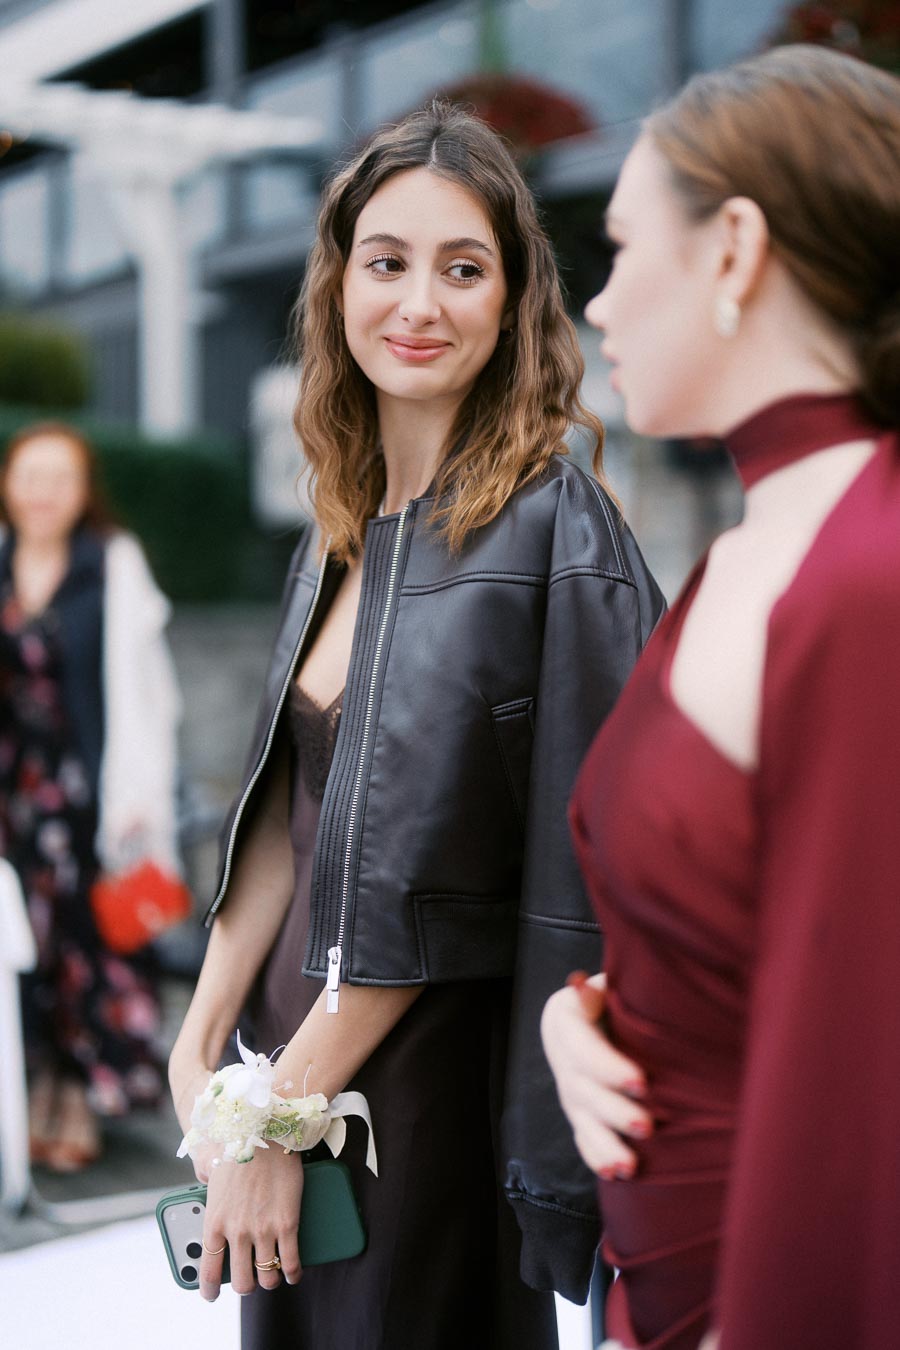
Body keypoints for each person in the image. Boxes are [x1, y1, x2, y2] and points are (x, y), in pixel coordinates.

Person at [168, 102, 664, 1350]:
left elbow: (488, 869)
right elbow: (292, 805)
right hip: (289, 1067)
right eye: (387, 262)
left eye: (463, 267)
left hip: (428, 1093)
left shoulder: (558, 526)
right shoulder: (334, 532)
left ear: (513, 299)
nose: (420, 305)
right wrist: (202, 1057)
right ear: (339, 285)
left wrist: (282, 1117)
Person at [541, 43, 900, 1350]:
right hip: (660, 1279)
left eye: (626, 249)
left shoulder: (868, 578)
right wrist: (586, 1009)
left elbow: (866, 1091)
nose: (598, 306)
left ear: (736, 249)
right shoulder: (743, 557)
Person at [0, 421, 182, 1172]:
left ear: (83, 493)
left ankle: (76, 1098)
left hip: (87, 795)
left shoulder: (111, 565)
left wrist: (141, 791)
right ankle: (32, 1087)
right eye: (30, 476)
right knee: (25, 952)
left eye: (60, 478)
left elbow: (146, 692)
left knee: (87, 947)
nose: (43, 493)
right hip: (14, 795)